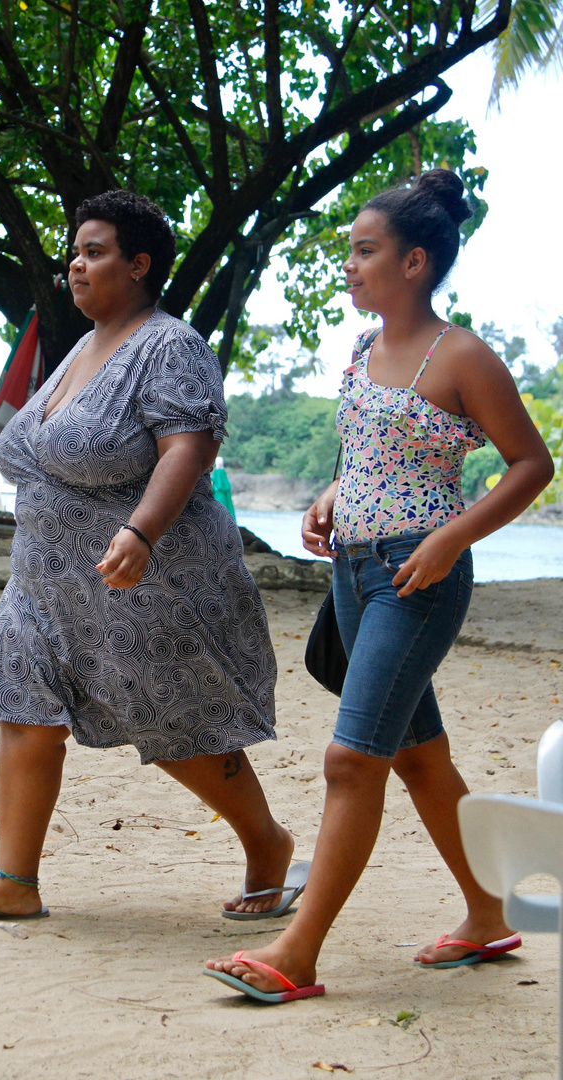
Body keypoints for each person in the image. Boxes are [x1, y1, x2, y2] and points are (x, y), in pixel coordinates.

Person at [205, 169, 554, 1001]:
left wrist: (447, 540)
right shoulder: (363, 351)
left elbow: (530, 465)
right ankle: (486, 907)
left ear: (415, 263)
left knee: (350, 761)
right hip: (356, 577)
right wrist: (330, 497)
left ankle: (296, 954)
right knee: (419, 759)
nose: (351, 267)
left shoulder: (461, 354)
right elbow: (368, 453)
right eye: (350, 252)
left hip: (417, 577)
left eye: (366, 252)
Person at [0, 190, 305, 923]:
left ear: (139, 265)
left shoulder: (169, 344)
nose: (75, 262)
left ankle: (267, 844)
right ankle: (15, 881)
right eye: (74, 250)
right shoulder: (80, 347)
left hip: (140, 582)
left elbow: (188, 446)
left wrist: (140, 531)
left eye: (94, 251)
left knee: (176, 722)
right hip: (43, 582)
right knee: (24, 712)